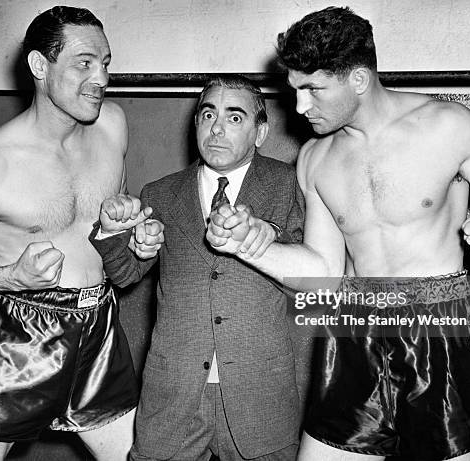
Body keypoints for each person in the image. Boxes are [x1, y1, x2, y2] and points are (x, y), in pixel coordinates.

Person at [206, 6, 470, 461]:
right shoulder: (316, 159)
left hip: (438, 330)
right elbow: (322, 270)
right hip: (354, 330)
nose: (300, 107)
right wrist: (245, 247)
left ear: (358, 79)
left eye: (313, 90)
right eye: (295, 89)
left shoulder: (447, 126)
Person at [0, 6, 156, 460]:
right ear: (39, 66)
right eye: (84, 63)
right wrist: (8, 277)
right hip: (17, 337)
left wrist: (130, 236)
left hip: (99, 327)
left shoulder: (112, 126)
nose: (102, 78)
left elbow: (109, 240)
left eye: (106, 63)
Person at [89, 74, 305, 460]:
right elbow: (124, 275)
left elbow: (315, 277)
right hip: (175, 390)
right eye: (208, 115)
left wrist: (267, 234)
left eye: (235, 118)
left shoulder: (291, 184)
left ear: (261, 132)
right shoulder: (160, 192)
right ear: (195, 124)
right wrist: (117, 235)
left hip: (260, 392)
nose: (217, 129)